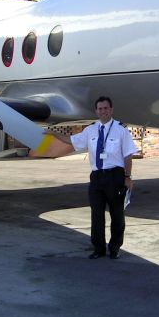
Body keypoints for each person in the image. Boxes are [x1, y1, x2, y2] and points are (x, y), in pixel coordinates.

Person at [51, 96, 137, 259]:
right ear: (96, 111)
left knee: (117, 215)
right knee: (96, 215)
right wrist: (53, 133)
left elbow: (127, 156)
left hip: (115, 176)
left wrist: (127, 177)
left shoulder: (121, 130)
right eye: (100, 109)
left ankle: (114, 248)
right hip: (97, 178)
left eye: (106, 108)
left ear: (111, 110)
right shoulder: (90, 130)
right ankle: (98, 249)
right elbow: (71, 141)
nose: (103, 111)